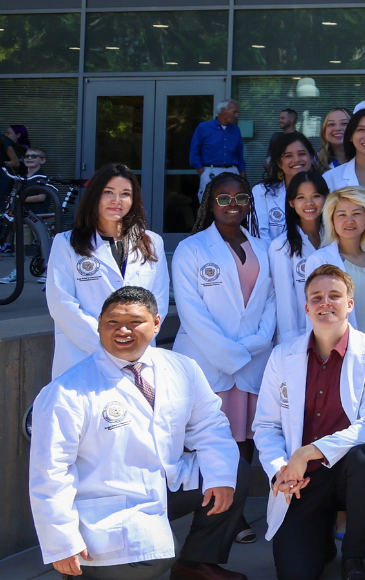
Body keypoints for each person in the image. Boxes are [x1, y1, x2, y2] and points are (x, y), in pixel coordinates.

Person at [28, 287, 247, 580]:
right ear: (99, 326)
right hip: (108, 499)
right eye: (112, 323)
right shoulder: (66, 391)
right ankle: (84, 572)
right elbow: (51, 470)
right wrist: (62, 542)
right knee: (152, 561)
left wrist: (220, 479)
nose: (122, 331)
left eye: (134, 322)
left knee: (235, 474)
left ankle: (196, 565)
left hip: (167, 483)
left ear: (156, 323)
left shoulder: (182, 367)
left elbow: (210, 425)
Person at [252, 264, 365, 580]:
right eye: (316, 297)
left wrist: (307, 452)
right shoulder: (282, 356)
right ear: (306, 307)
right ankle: (320, 539)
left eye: (335, 295)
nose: (325, 303)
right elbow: (266, 426)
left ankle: (355, 558)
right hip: (303, 480)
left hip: (349, 472)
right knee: (295, 573)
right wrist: (281, 468)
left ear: (350, 304)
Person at [172, 175, 276, 511]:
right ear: (209, 202)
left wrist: (256, 343)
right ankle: (214, 514)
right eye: (223, 198)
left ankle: (238, 515)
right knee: (212, 441)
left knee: (244, 440)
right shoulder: (191, 249)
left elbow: (272, 301)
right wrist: (233, 353)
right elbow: (192, 313)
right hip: (208, 361)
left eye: (240, 197)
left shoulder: (263, 247)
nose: (232, 204)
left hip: (251, 362)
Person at [45, 164, 169, 377]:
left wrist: (132, 342)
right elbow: (61, 303)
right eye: (108, 192)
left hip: (138, 355)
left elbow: (158, 302)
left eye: (125, 194)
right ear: (94, 196)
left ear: (134, 200)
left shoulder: (152, 242)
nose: (116, 201)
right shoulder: (65, 243)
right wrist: (111, 345)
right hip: (84, 354)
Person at [309, 186, 365, 342]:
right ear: (332, 220)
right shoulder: (320, 260)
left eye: (356, 214)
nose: (350, 221)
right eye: (342, 215)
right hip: (337, 353)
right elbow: (315, 314)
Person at [271, 172, 330, 344]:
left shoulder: (334, 239)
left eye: (316, 196)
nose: (309, 203)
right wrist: (291, 344)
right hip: (301, 336)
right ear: (291, 203)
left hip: (335, 332)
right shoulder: (281, 246)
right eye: (301, 197)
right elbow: (284, 302)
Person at [254, 132, 320, 239]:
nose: (296, 160)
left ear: (311, 157)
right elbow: (259, 235)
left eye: (302, 154)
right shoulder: (262, 192)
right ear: (279, 163)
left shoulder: (324, 189)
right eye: (288, 156)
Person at [190, 100, 246, 199]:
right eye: (234, 112)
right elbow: (194, 152)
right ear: (223, 110)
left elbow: (239, 154)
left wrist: (242, 174)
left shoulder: (236, 130)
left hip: (232, 171)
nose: (236, 116)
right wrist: (202, 173)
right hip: (211, 171)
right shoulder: (204, 128)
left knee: (232, 203)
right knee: (208, 204)